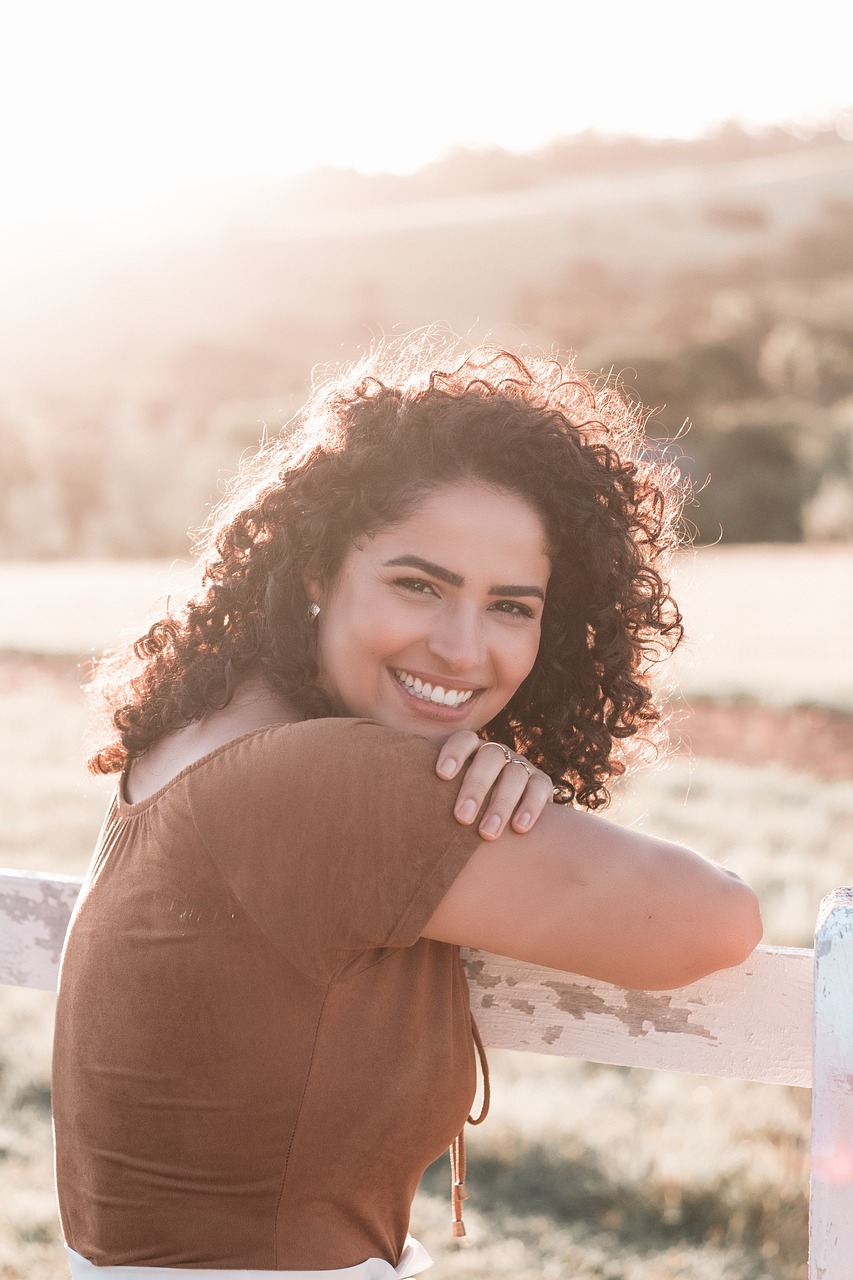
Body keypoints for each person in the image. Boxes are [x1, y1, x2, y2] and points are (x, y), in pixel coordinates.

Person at [52, 339, 762, 1279]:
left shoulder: (206, 730)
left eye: (511, 606)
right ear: (316, 570)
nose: (462, 649)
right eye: (418, 585)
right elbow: (712, 922)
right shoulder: (325, 781)